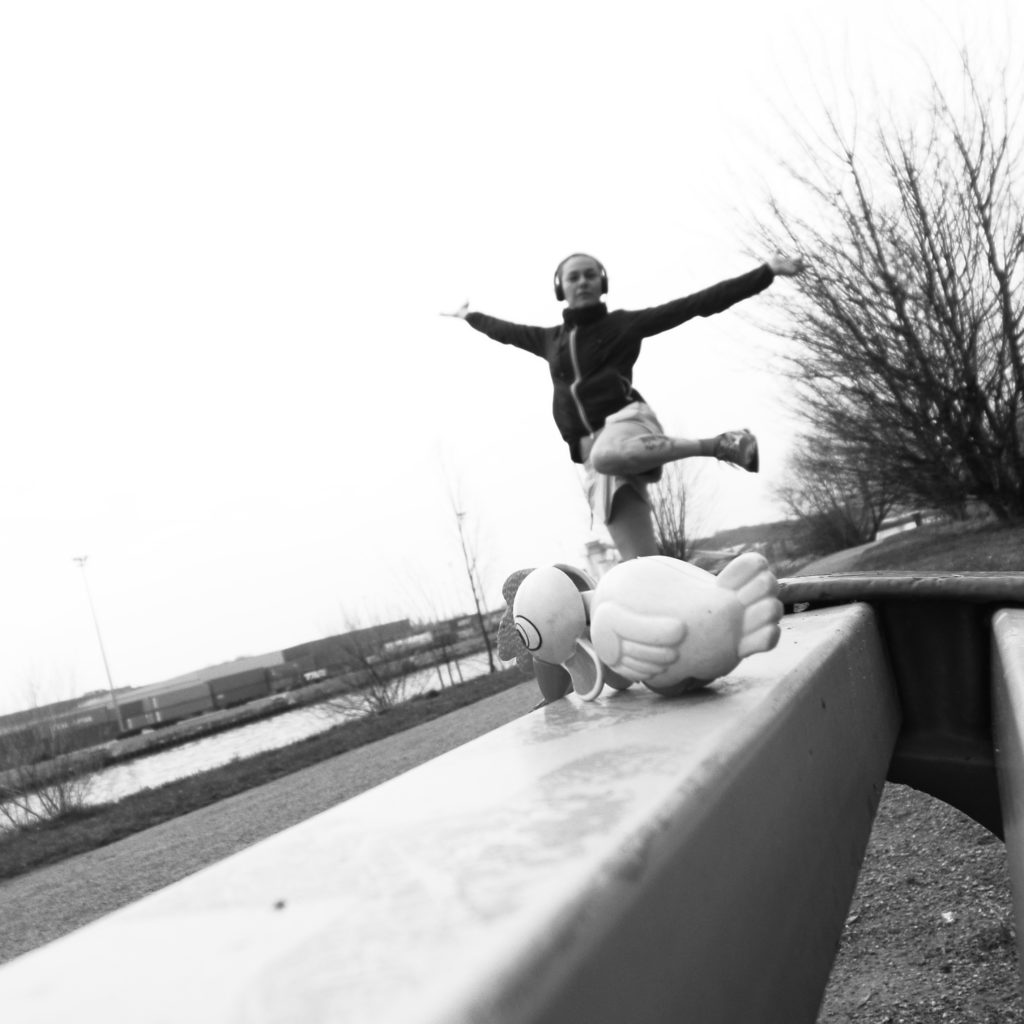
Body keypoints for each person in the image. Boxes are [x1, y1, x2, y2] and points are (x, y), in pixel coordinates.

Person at [443, 252, 805, 560]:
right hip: (595, 459)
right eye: (573, 277)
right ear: (560, 288)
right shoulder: (549, 340)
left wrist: (766, 272)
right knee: (642, 565)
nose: (582, 282)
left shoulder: (623, 325)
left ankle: (722, 444)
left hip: (627, 423)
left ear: (602, 283)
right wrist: (469, 317)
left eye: (590, 275)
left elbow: (696, 305)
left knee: (606, 454)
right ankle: (711, 574)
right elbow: (504, 331)